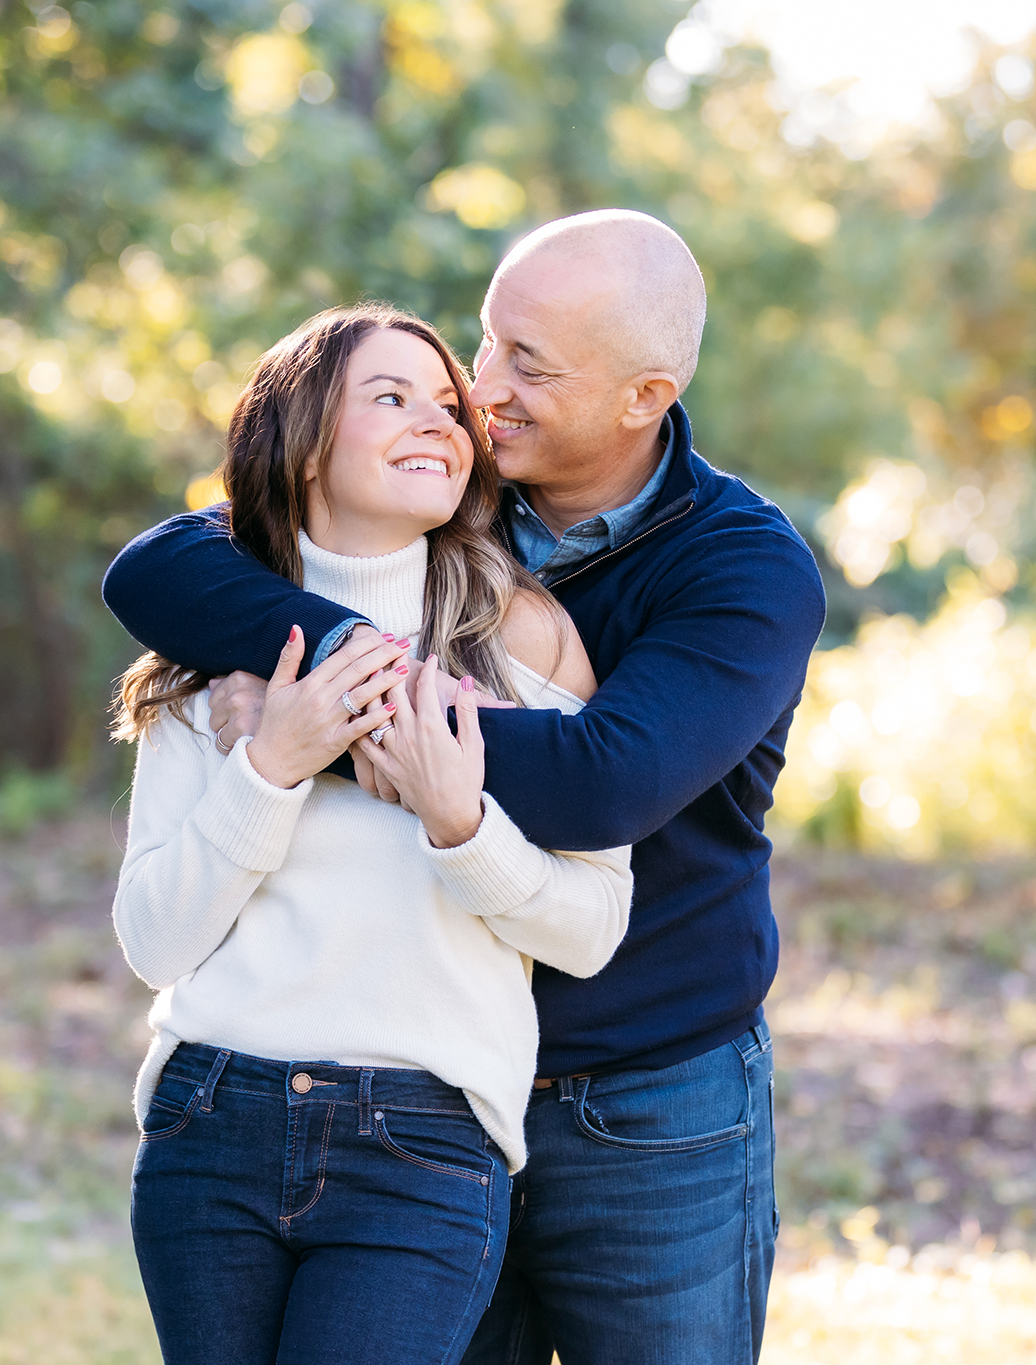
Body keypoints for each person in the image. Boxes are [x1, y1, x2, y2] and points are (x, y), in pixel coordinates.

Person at [103, 211, 827, 1364]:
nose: (480, 387)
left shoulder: (741, 568)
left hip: (643, 1095)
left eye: (527, 364)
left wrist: (321, 728)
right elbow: (159, 567)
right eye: (486, 344)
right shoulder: (439, 492)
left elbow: (604, 782)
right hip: (415, 1093)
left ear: (641, 398)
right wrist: (325, 701)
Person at [109, 302, 633, 1365]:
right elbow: (153, 945)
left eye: (448, 404)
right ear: (298, 442)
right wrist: (273, 766)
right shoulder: (208, 654)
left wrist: (459, 825)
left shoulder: (521, 645)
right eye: (389, 398)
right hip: (212, 1116)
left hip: (423, 1140)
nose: (439, 421)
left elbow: (588, 930)